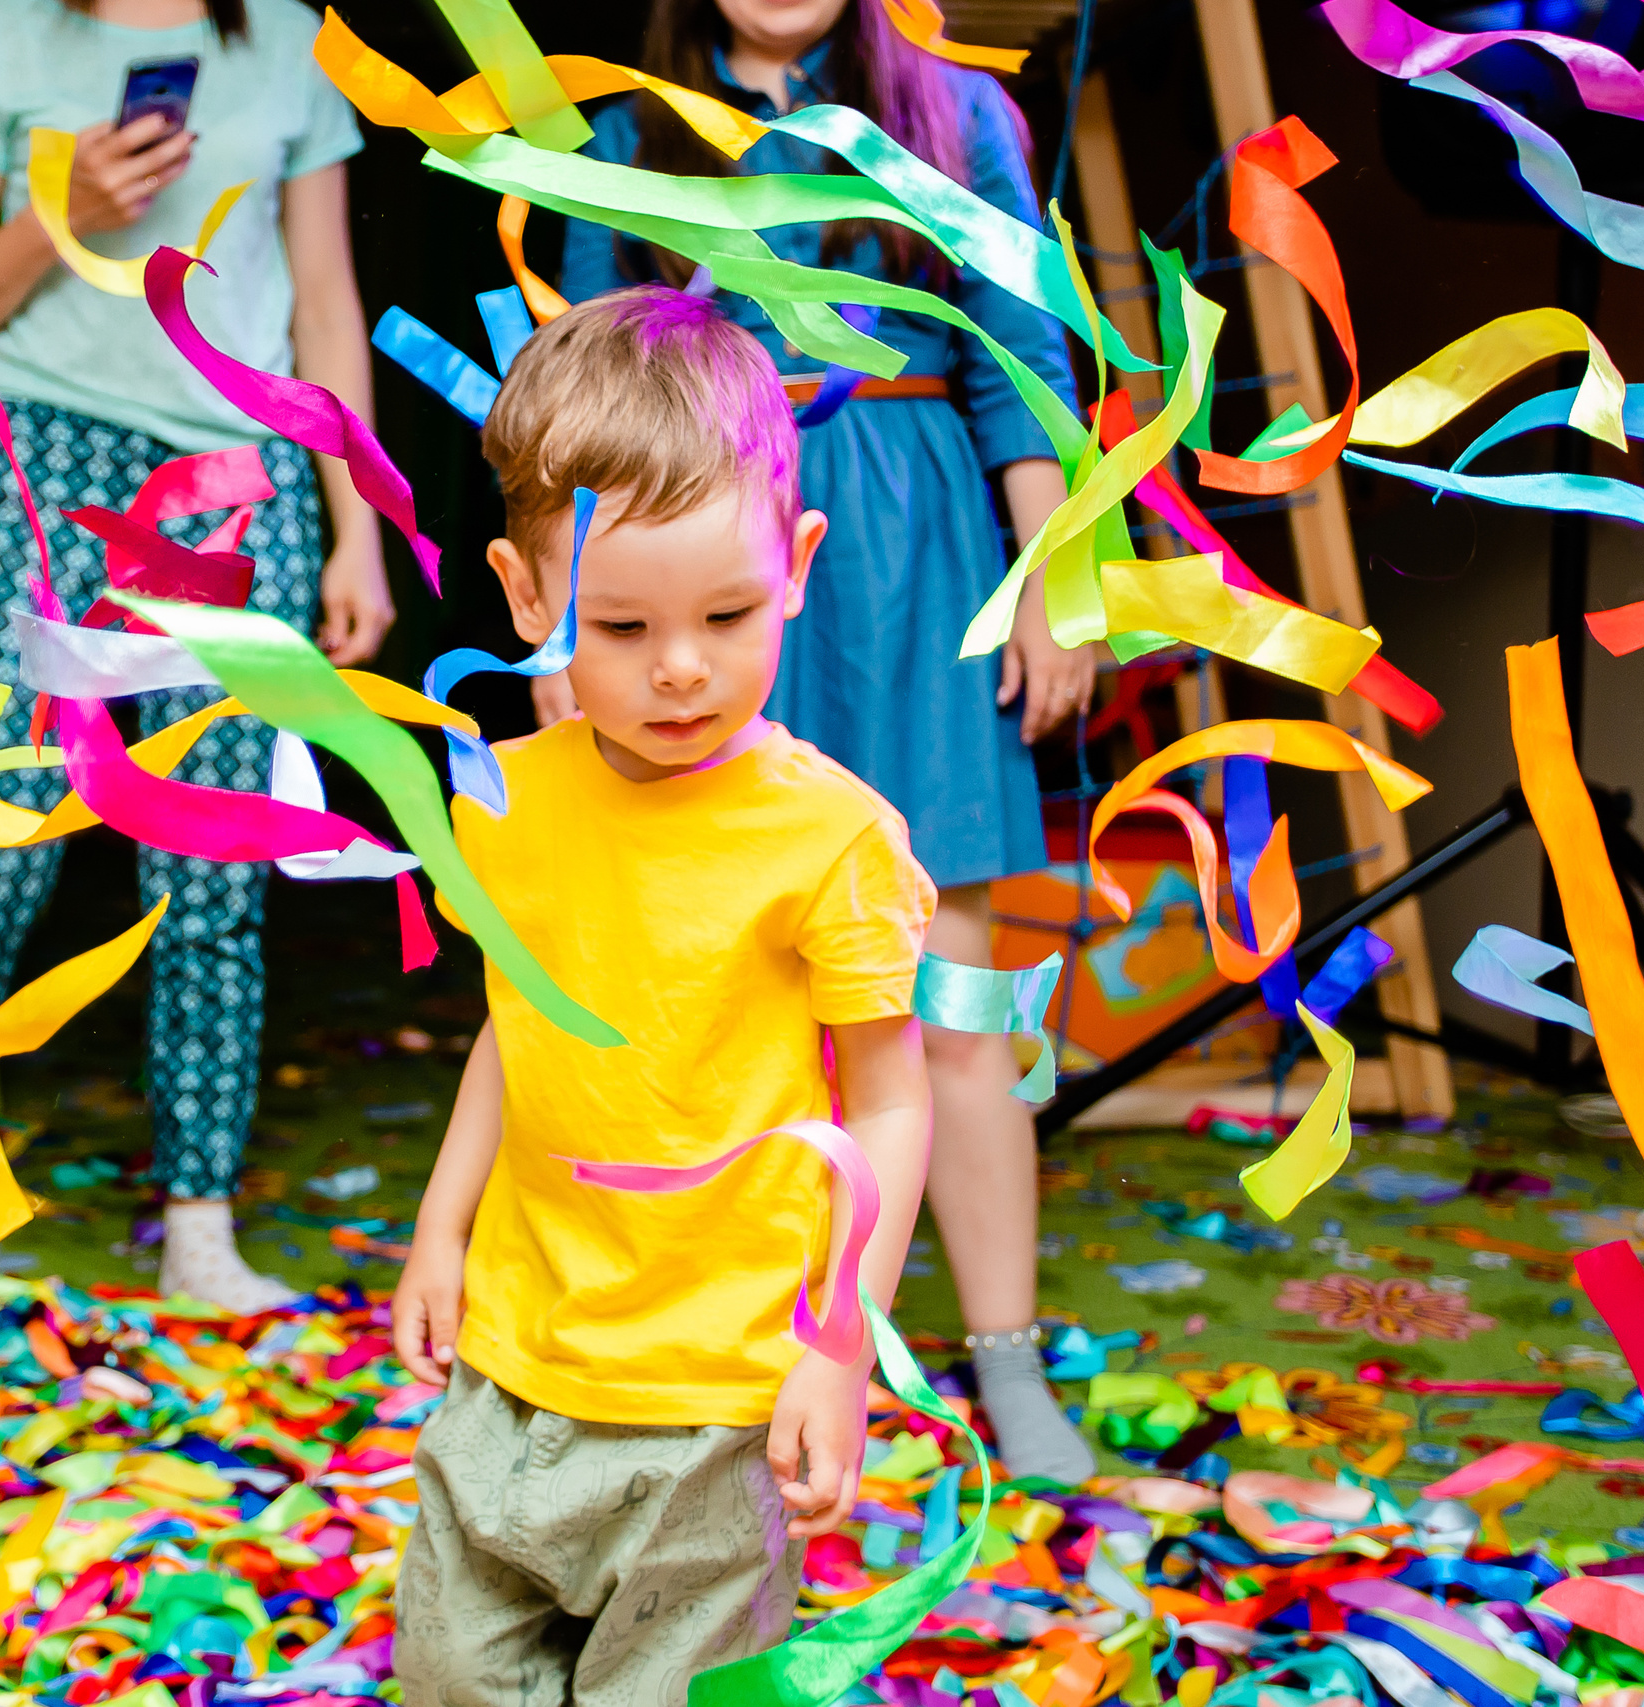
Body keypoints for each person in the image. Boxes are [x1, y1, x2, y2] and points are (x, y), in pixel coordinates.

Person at [553, 0, 1096, 1484]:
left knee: (956, 994)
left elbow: (1018, 357)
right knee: (729, 993)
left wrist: (1050, 581)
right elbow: (587, 411)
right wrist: (566, 638)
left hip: (923, 562)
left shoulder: (957, 116)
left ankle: (1005, 1350)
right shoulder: (636, 130)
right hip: (716, 591)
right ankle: (733, 1353)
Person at [389, 286, 937, 1705]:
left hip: (722, 1397)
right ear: (524, 594)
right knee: (452, 1672)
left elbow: (889, 1099)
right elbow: (520, 1026)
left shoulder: (837, 838)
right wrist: (443, 1221)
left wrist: (839, 1350)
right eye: (619, 625)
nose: (682, 665)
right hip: (516, 1360)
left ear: (798, 561)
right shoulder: (505, 798)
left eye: (728, 611)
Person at [0, 0, 393, 1312]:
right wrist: (58, 203)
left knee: (212, 869)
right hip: (42, 459)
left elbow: (323, 305)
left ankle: (201, 1225)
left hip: (239, 486)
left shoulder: (294, 41)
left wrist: (358, 529)